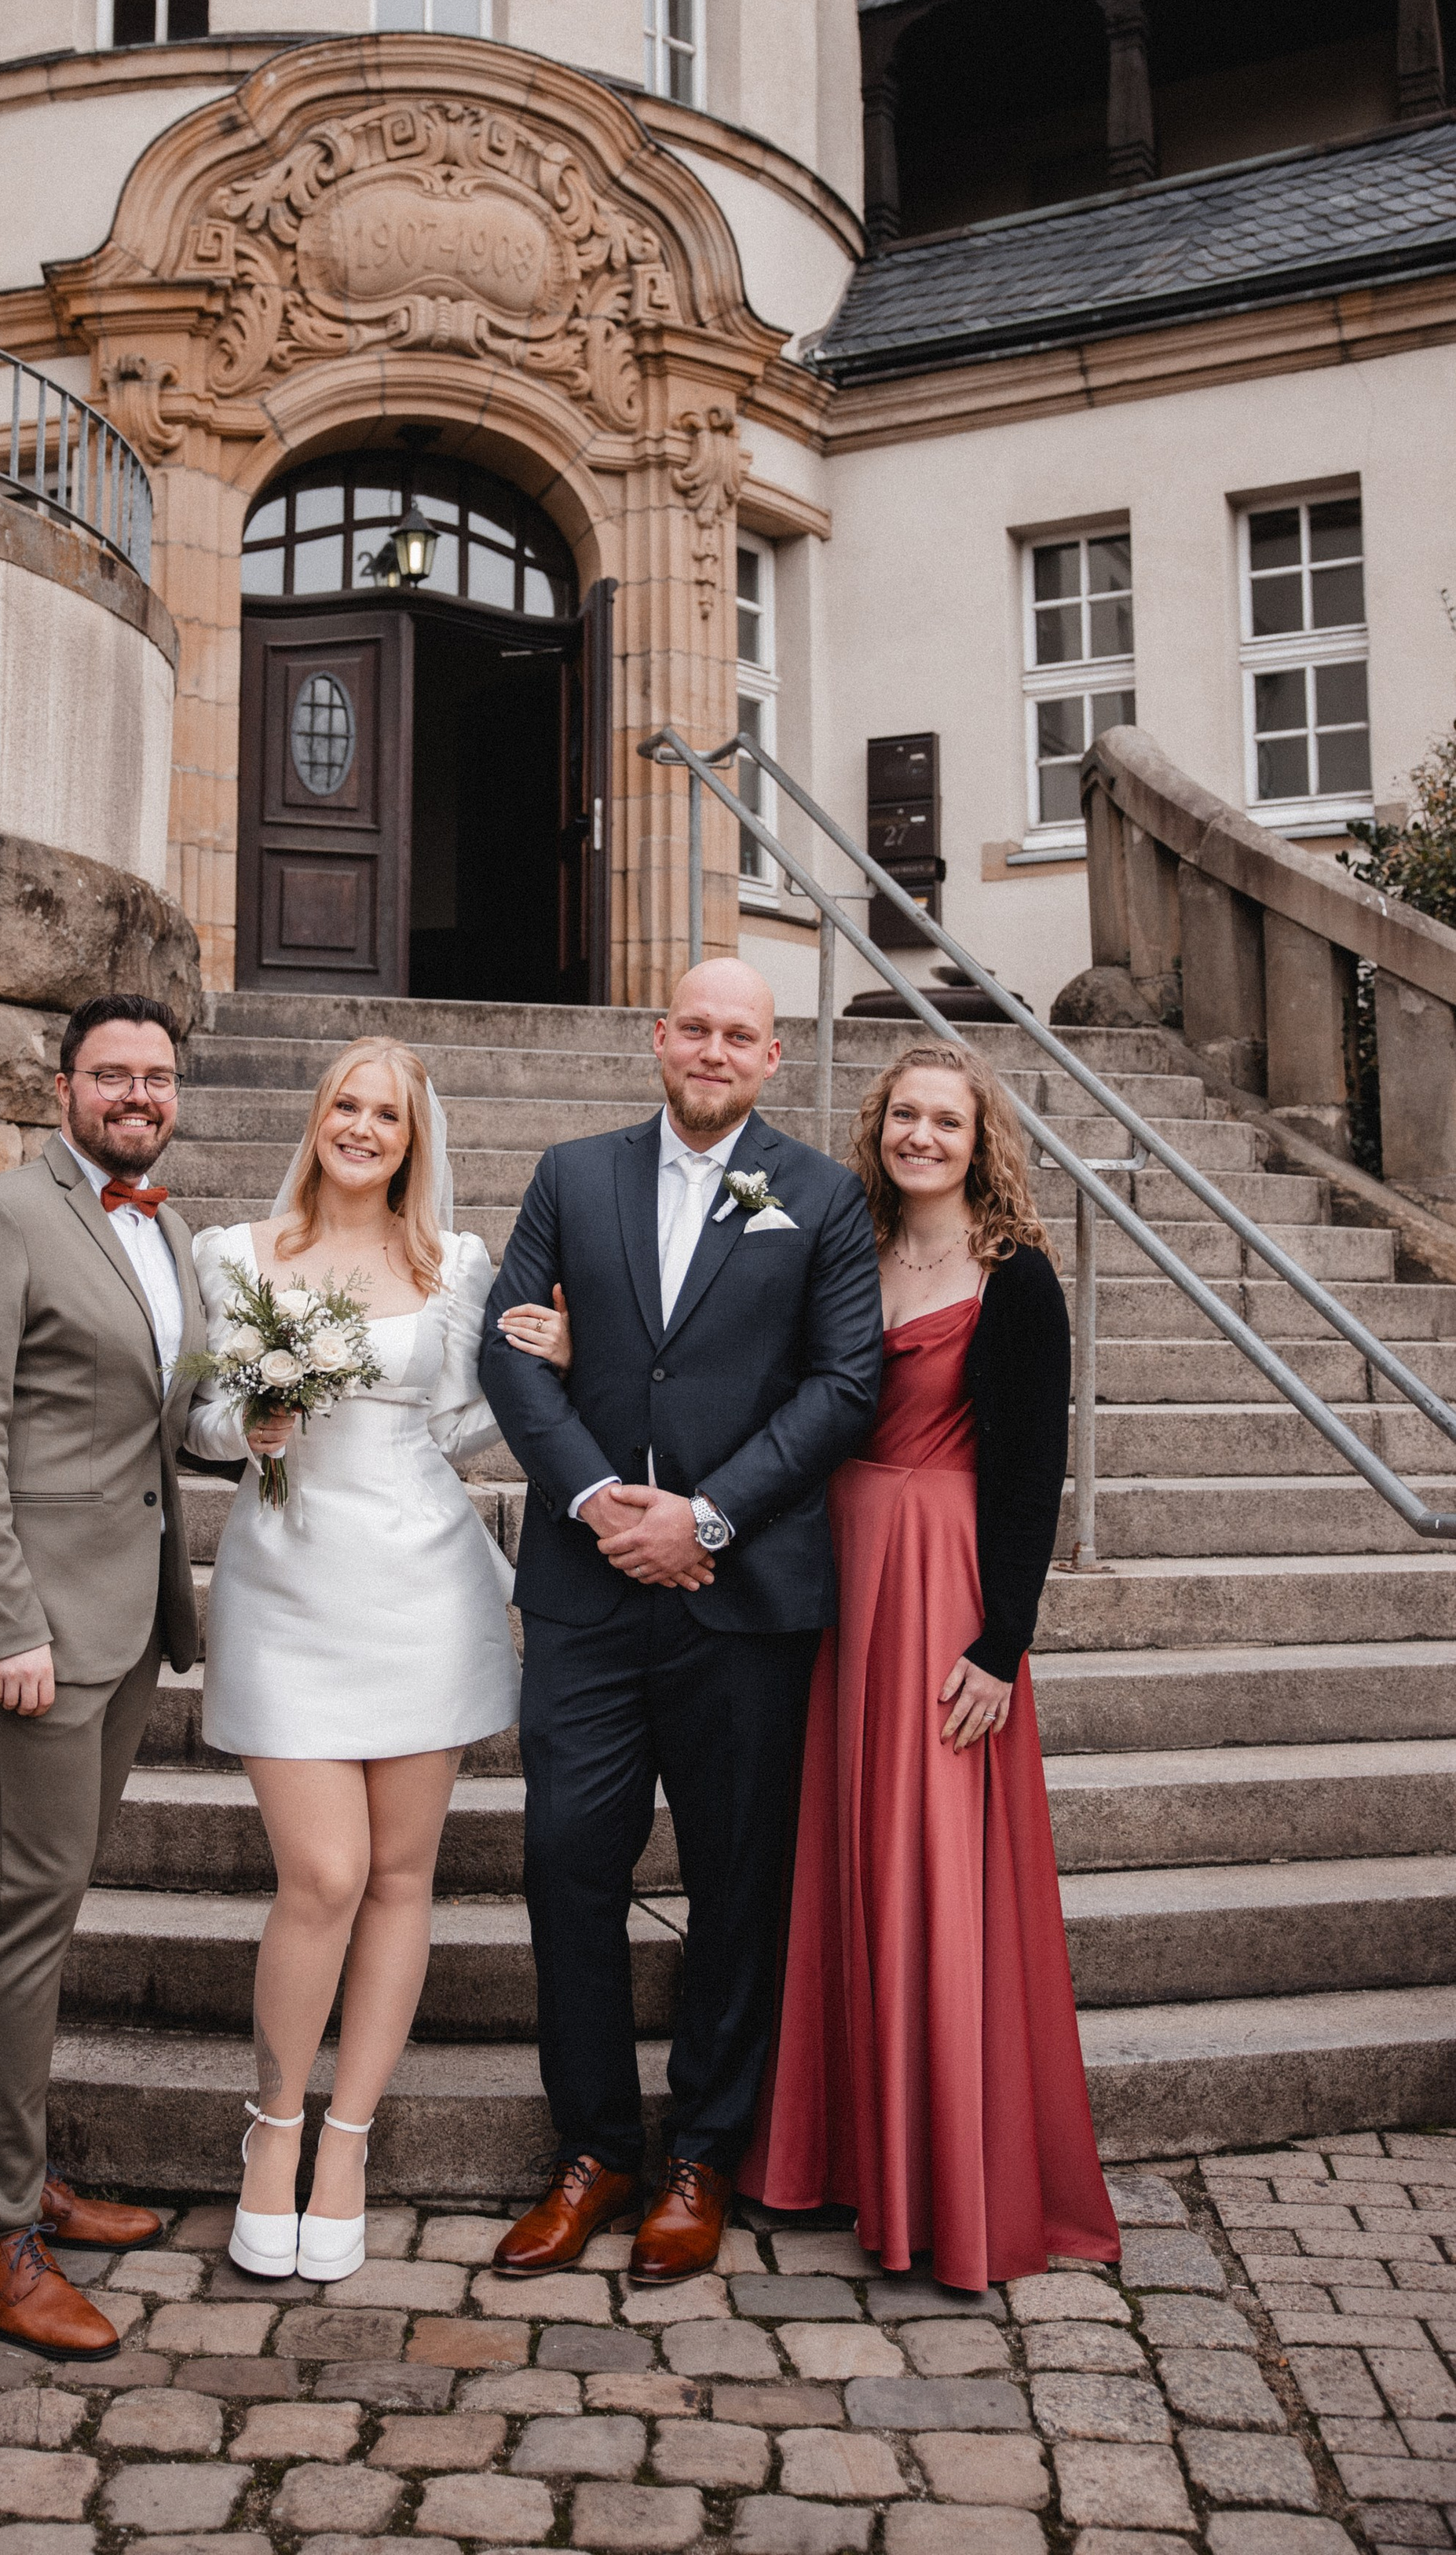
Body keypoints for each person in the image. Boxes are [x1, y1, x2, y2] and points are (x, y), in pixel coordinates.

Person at [478, 959, 886, 2286]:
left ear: (775, 1059)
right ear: (659, 1040)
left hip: (744, 1599)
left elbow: (844, 1387)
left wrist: (703, 1519)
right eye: (694, 1029)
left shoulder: (820, 1196)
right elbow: (506, 1346)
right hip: (589, 1598)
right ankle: (594, 2150)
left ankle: (705, 2151)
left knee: (738, 1882)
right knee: (567, 1864)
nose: (713, 1052)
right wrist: (602, 1503)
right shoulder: (570, 1174)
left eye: (740, 1037)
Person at [186, 1037, 567, 2283]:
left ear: (414, 1138)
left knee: (402, 1877)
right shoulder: (235, 1255)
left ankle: (347, 2142)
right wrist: (249, 1421)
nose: (363, 1127)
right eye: (346, 1105)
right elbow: (194, 1418)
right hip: (287, 1587)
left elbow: (461, 1425)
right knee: (324, 1874)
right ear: (317, 1118)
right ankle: (273, 2127)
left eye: (387, 1115)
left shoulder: (452, 1264)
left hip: (420, 1586)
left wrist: (545, 1368)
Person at [740, 1038, 1120, 2290]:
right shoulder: (845, 1246)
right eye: (904, 1115)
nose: (920, 1137)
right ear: (879, 1126)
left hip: (943, 1578)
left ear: (979, 1139)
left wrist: (1001, 1643)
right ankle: (837, 2155)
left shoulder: (1018, 1280)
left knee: (929, 1863)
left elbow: (1030, 1479)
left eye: (945, 1122)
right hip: (835, 1569)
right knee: (840, 1851)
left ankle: (941, 2185)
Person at [0, 992, 203, 2358]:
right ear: (65, 1084)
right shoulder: (2, 1218)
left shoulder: (170, 1228)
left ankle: (2, 2176)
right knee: (30, 1909)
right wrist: (4, 1620)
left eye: (155, 1075)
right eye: (112, 1073)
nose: (136, 1093)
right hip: (35, 1633)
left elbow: (145, 1421)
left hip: (131, 1617)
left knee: (52, 1901)